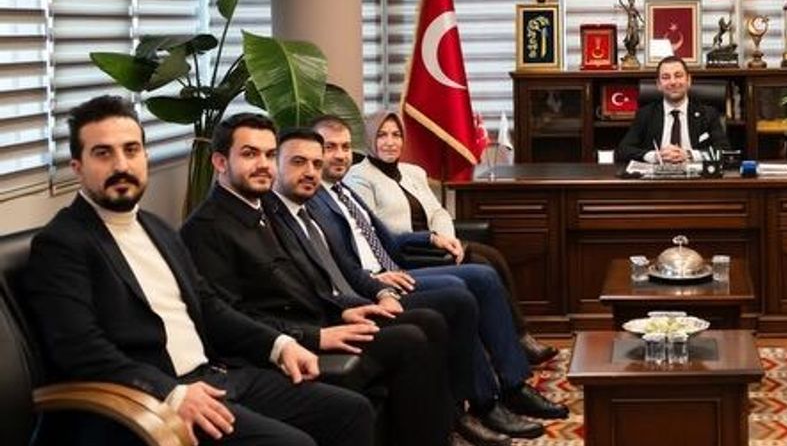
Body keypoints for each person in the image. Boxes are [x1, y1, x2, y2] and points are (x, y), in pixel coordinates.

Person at [24, 96, 374, 446]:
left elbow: (209, 306)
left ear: (145, 156)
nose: (121, 165)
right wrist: (170, 392)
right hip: (148, 403)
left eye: (131, 150)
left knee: (350, 411)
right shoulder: (62, 243)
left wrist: (279, 345)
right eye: (103, 153)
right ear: (77, 166)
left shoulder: (157, 228)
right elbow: (80, 350)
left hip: (215, 377)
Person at [180, 114, 461, 446]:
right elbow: (227, 319)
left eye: (269, 155)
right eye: (249, 154)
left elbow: (305, 279)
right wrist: (315, 336)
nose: (263, 164)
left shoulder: (265, 208)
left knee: (425, 322)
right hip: (279, 347)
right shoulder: (206, 229)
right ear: (220, 162)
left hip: (315, 320)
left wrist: (343, 310)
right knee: (409, 340)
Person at [307, 115, 567, 433]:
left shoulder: (343, 191)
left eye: (345, 147)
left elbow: (386, 239)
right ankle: (486, 402)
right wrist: (374, 282)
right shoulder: (316, 199)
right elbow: (338, 262)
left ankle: (514, 386)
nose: (340, 155)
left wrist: (431, 237)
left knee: (484, 275)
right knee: (459, 290)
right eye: (330, 147)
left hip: (393, 266)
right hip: (375, 282)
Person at [343, 110, 557, 365]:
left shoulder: (413, 172)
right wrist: (430, 238)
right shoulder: (359, 177)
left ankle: (519, 337)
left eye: (396, 135)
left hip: (435, 245)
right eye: (382, 135)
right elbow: (375, 232)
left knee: (494, 257)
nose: (390, 142)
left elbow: (438, 212)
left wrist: (447, 239)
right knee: (483, 265)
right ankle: (514, 344)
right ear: (369, 139)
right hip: (403, 253)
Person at [614, 55, 731, 165]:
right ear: (658, 84)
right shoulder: (645, 114)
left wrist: (689, 155)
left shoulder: (708, 114)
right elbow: (623, 151)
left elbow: (725, 151)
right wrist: (655, 156)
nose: (673, 82)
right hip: (658, 176)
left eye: (678, 76)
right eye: (666, 77)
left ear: (688, 80)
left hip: (695, 177)